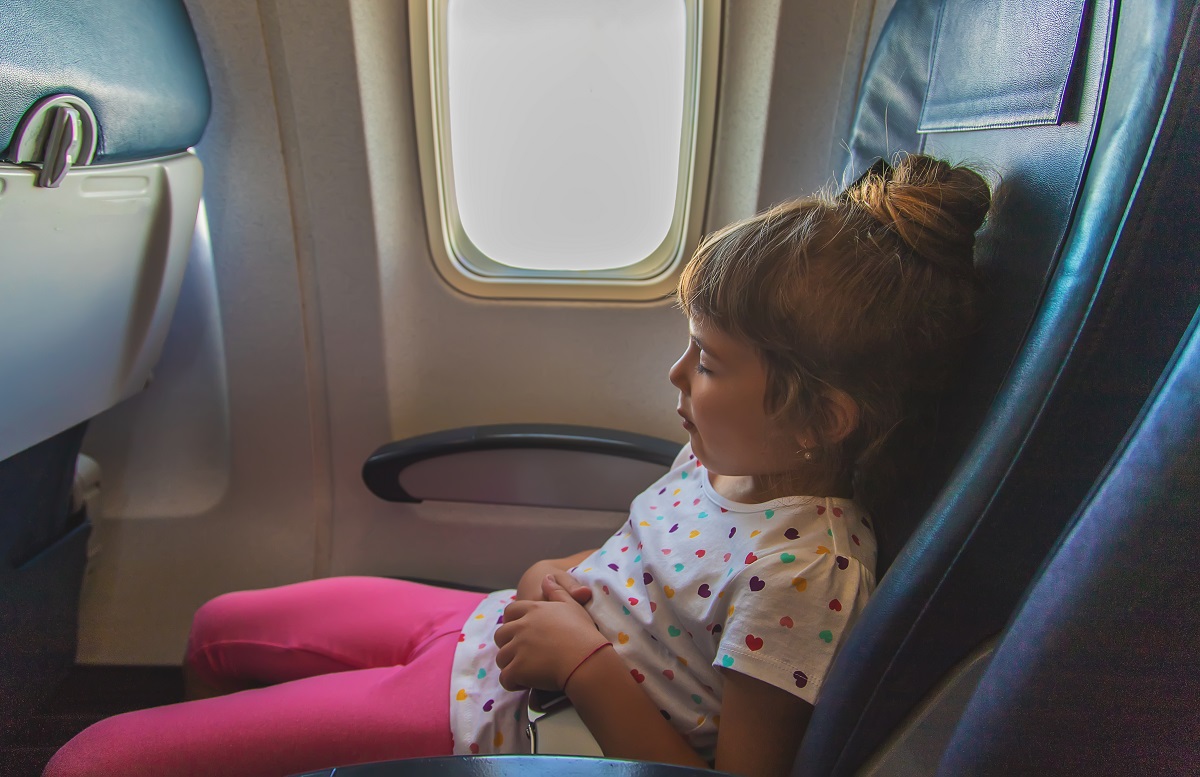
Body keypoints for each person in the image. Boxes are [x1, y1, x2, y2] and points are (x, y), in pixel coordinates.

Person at [44, 153, 990, 777]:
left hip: (510, 718)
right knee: (217, 627)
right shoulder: (731, 456)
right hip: (498, 627)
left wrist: (582, 667)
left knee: (89, 761)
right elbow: (647, 571)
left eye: (707, 359)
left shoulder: (804, 574)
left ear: (821, 416)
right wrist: (569, 572)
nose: (674, 374)